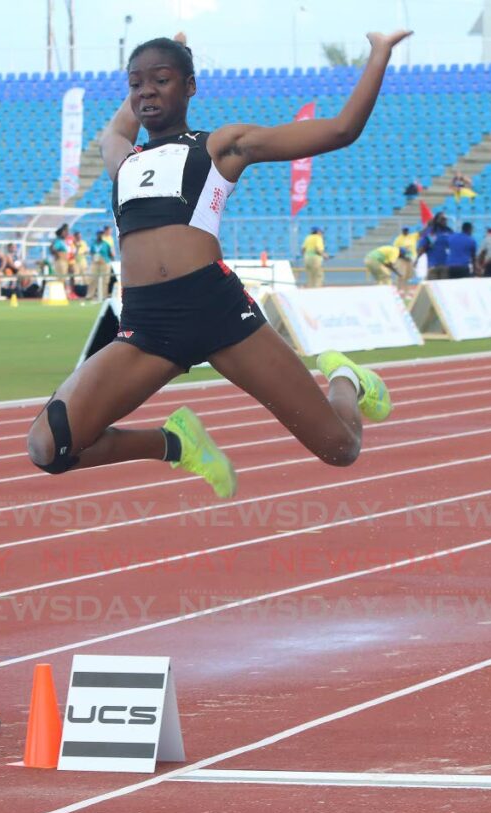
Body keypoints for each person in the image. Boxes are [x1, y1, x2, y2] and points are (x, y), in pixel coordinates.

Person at [25, 29, 406, 499]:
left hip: (219, 313)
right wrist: (150, 74)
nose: (146, 92)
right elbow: (114, 132)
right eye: (135, 84)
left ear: (189, 86)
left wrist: (379, 54)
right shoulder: (122, 159)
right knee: (48, 447)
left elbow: (341, 129)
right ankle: (173, 443)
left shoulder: (219, 146)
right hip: (148, 327)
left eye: (161, 81)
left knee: (340, 447)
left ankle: (347, 379)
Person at [417, 212, 451, 280]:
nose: (444, 221)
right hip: (433, 266)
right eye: (442, 219)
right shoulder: (431, 232)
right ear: (437, 220)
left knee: (444, 287)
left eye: (445, 219)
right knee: (432, 288)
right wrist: (417, 259)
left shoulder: (449, 232)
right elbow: (422, 247)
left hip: (446, 266)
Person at [90, 226, 115, 301]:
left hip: (105, 262)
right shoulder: (93, 243)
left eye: (101, 234)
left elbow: (110, 254)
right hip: (95, 262)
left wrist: (110, 259)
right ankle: (90, 295)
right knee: (93, 279)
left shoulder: (106, 244)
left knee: (105, 280)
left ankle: (104, 296)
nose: (100, 235)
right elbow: (91, 252)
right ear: (96, 234)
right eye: (99, 234)